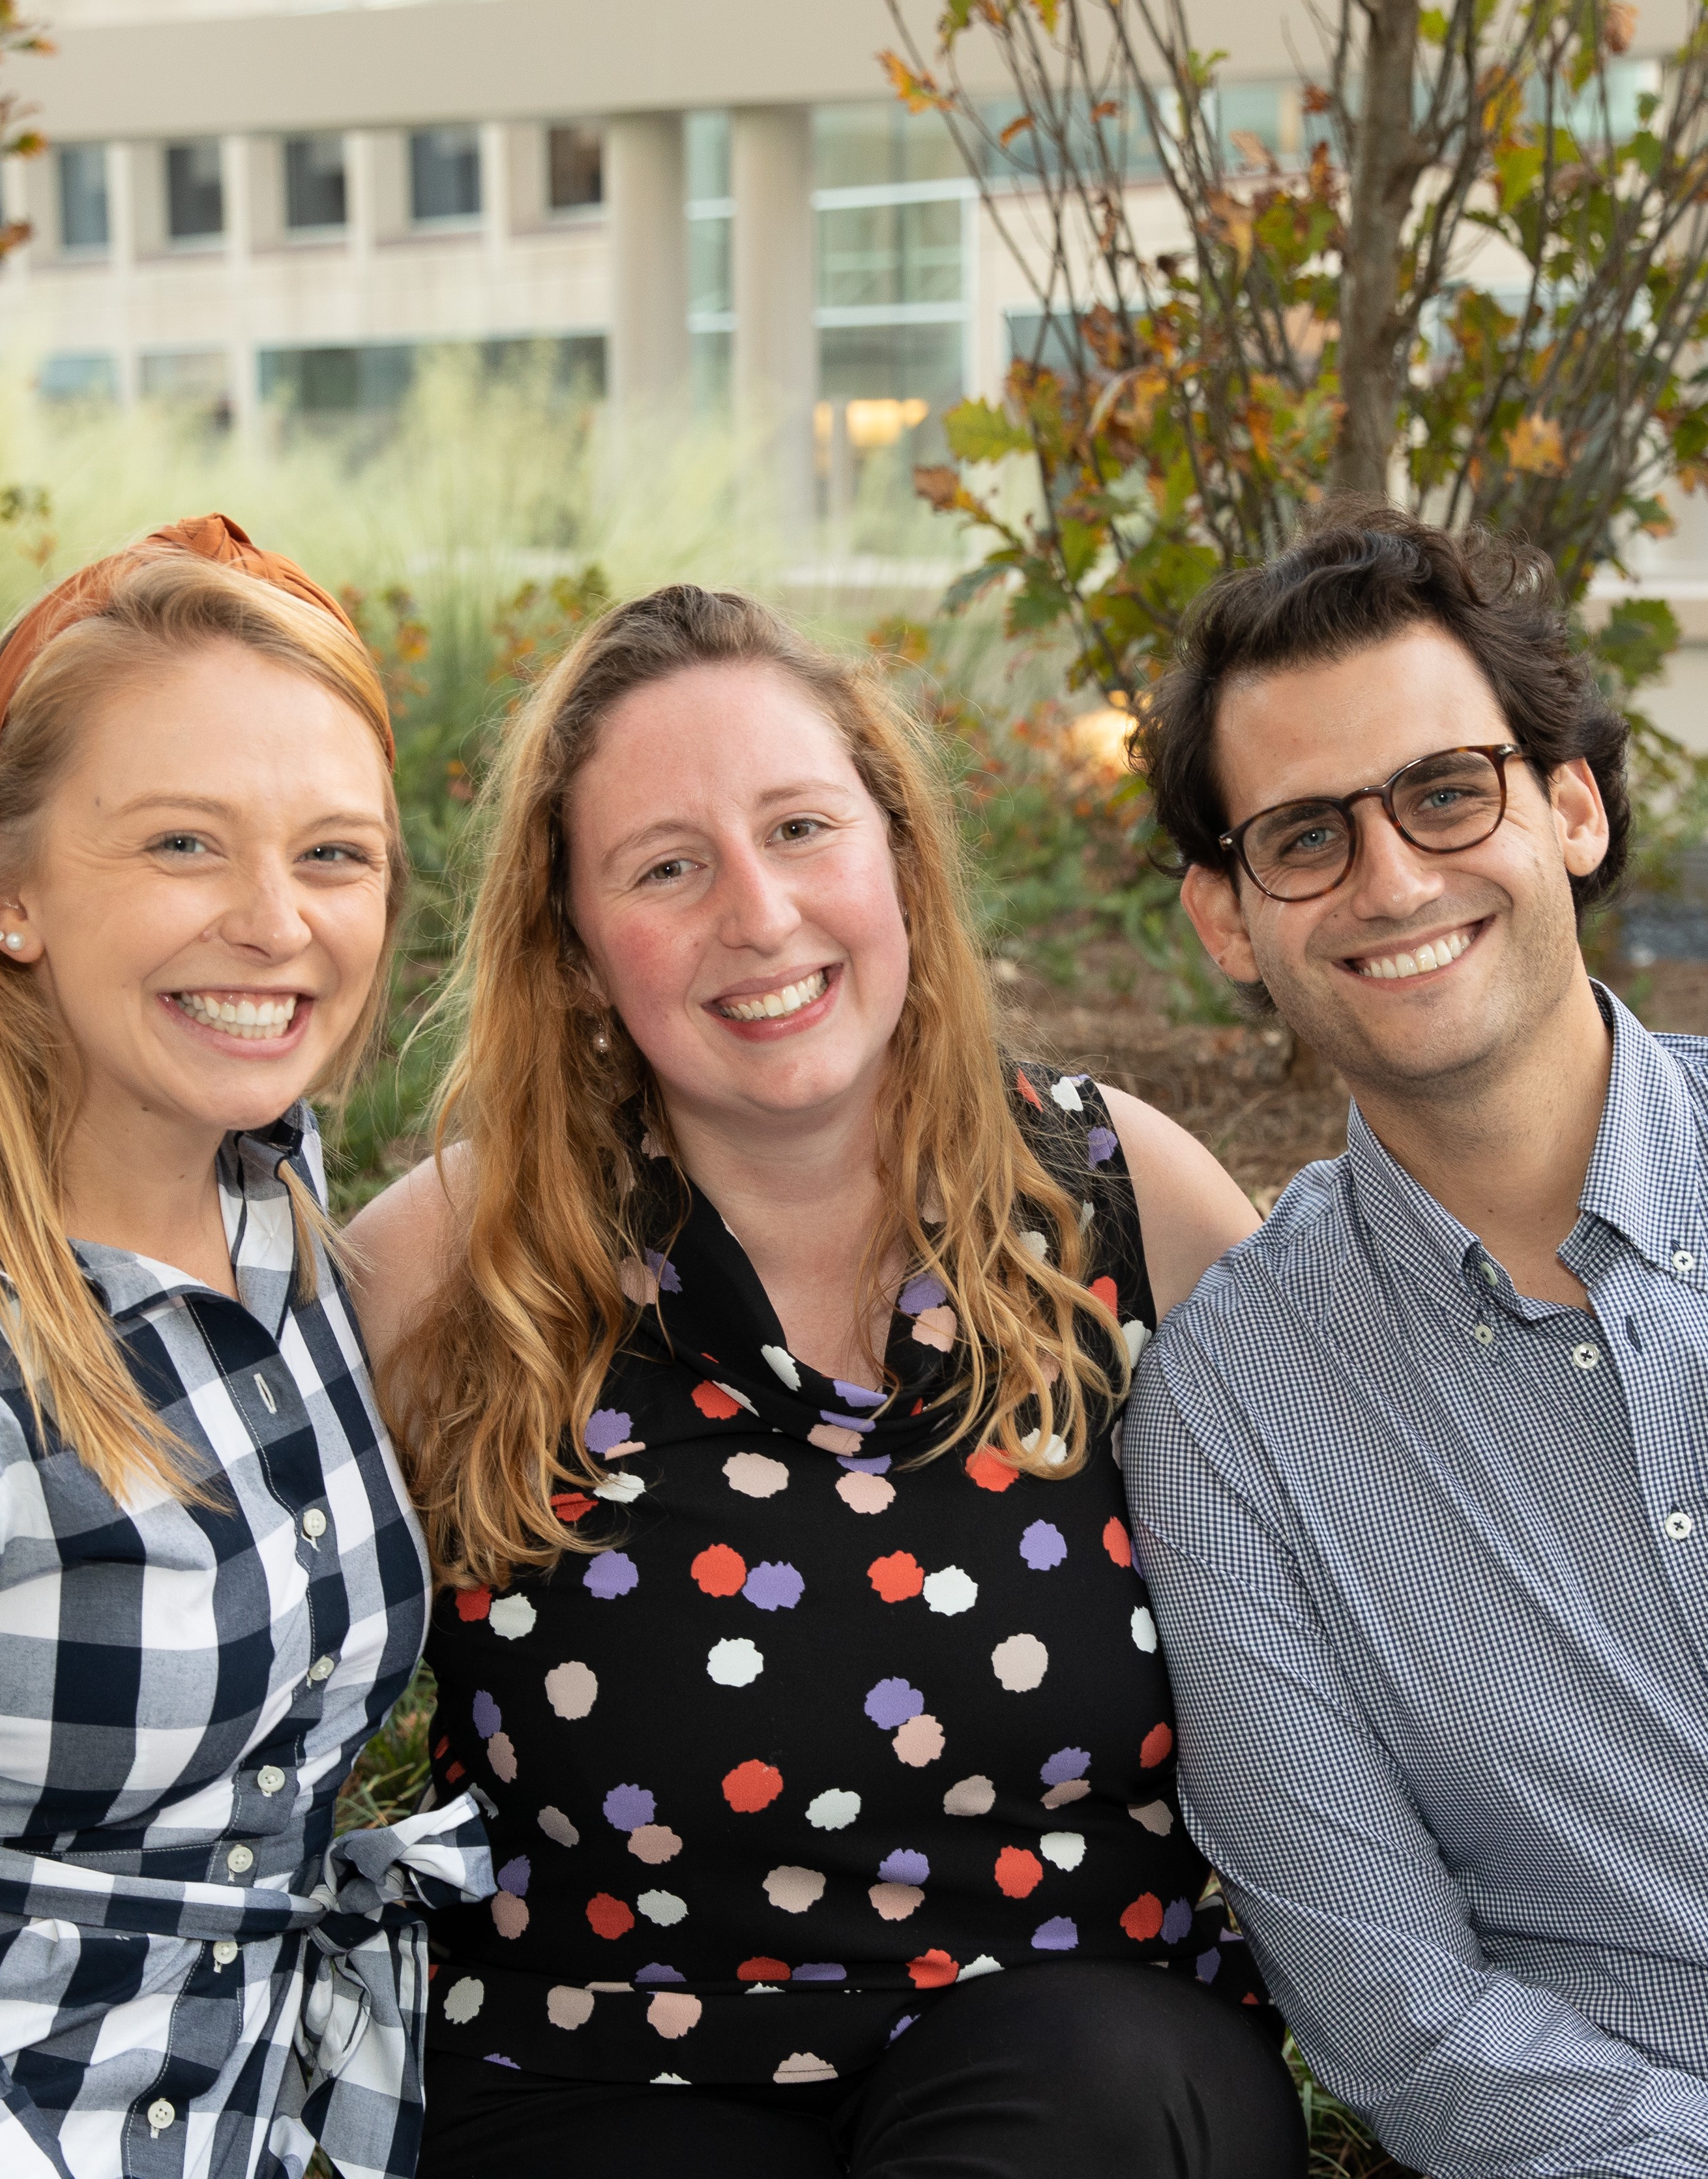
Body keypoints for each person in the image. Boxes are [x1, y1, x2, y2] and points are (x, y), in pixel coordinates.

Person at [347, 583, 1307, 2178]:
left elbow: (1394, 1582)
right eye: (667, 867)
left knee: (1081, 2101)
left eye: (801, 828)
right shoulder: (463, 1264)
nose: (760, 913)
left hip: (1082, 2045)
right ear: (579, 954)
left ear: (899, 866)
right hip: (599, 2065)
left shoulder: (1121, 1202)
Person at [1124, 501, 1708, 2179]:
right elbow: (1408, 2020)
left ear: (1569, 807)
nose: (1392, 877)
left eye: (1444, 792)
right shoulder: (1227, 1425)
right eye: (1305, 836)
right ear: (1225, 918)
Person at [0, 518, 490, 2179]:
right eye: (181, 847)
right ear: (7, 896)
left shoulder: (268, 1188)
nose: (275, 924)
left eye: (336, 854)